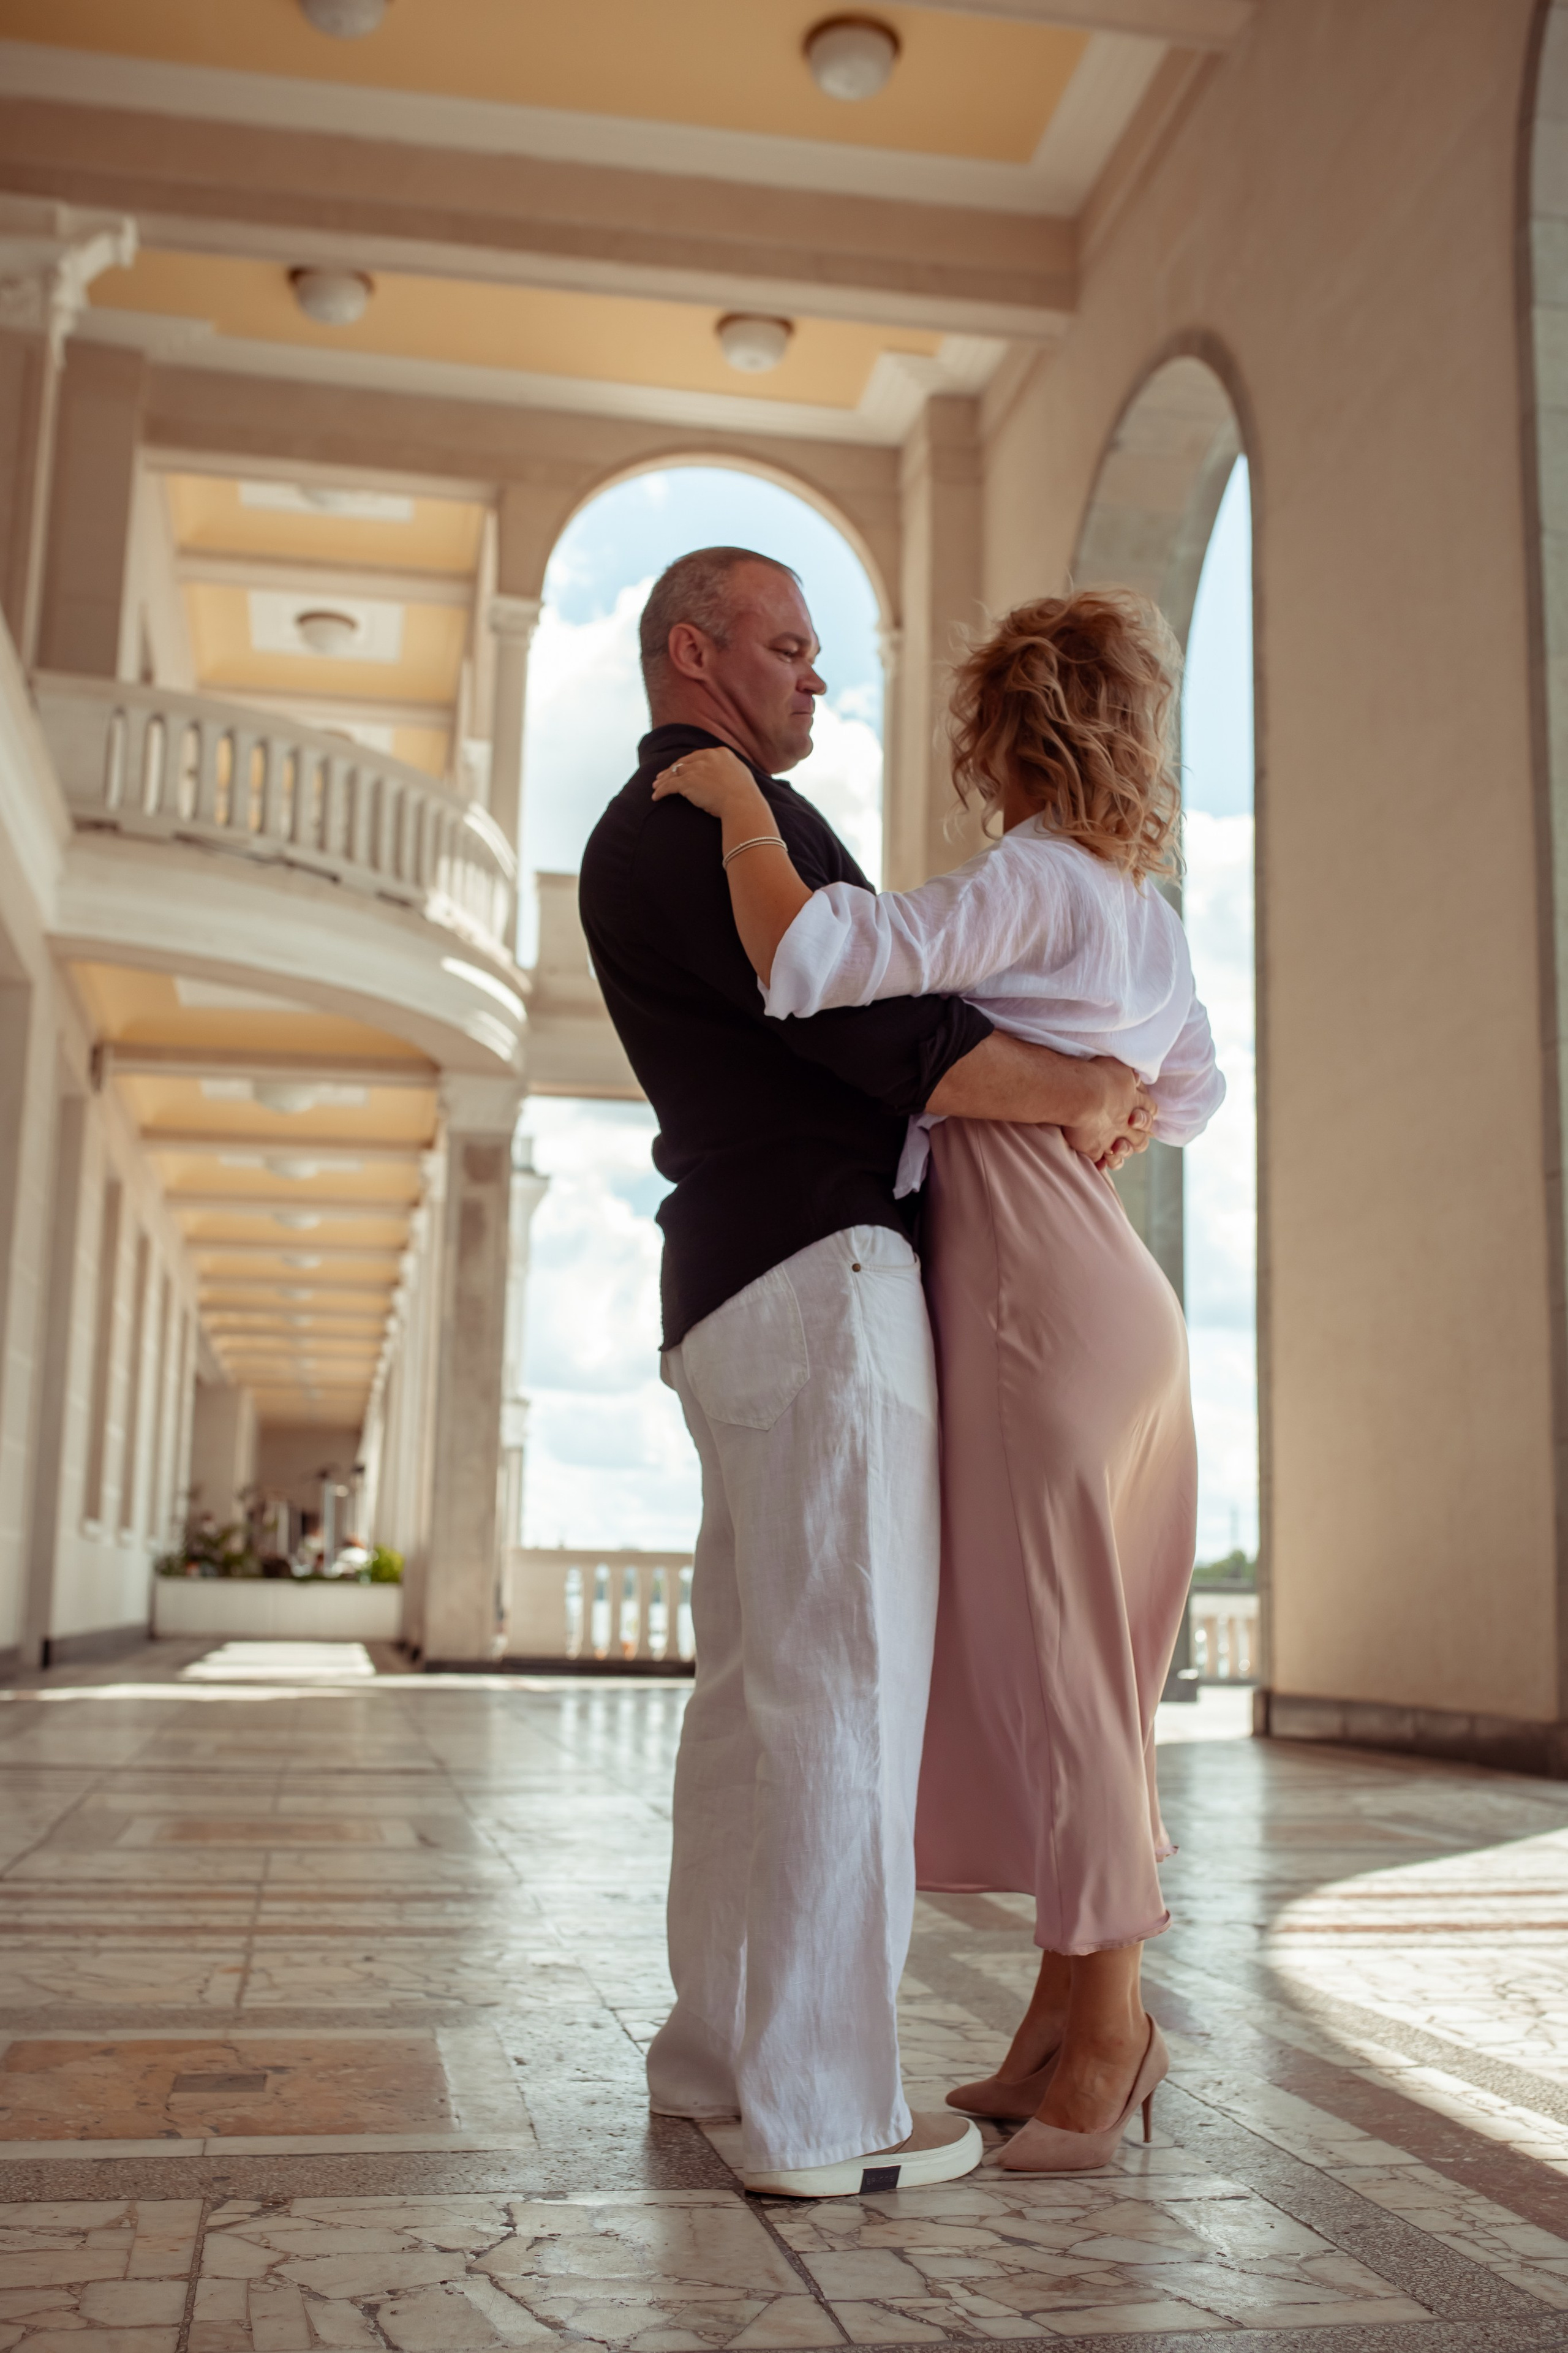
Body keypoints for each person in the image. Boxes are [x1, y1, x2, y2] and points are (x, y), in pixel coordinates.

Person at [579, 548, 1153, 2199]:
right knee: (843, 1685)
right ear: (696, 652)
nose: (815, 675)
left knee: (759, 1692)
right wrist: (1072, 1088)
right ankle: (825, 2109)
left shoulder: (660, 822)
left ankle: (715, 2055)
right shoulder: (708, 811)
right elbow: (863, 1025)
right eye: (788, 644)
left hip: (743, 1285)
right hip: (825, 1281)